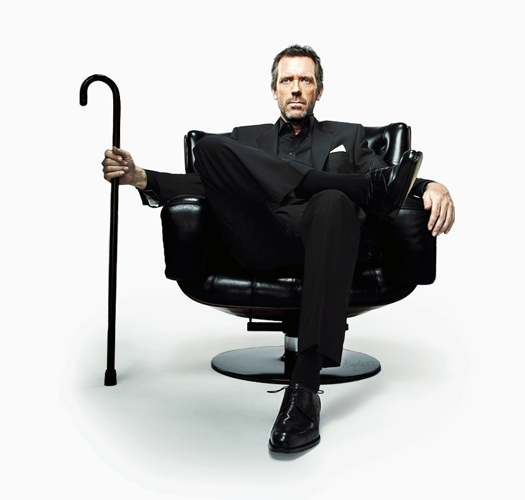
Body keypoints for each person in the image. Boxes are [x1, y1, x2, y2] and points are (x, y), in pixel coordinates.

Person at [101, 45, 455, 453]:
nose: (296, 88)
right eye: (287, 80)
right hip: (262, 238)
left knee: (333, 200)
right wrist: (141, 177)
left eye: (306, 80)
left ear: (319, 90)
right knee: (209, 150)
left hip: (330, 240)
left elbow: (388, 181)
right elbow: (204, 186)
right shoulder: (246, 139)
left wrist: (431, 185)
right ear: (274, 89)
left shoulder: (349, 136)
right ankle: (335, 185)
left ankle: (304, 386)